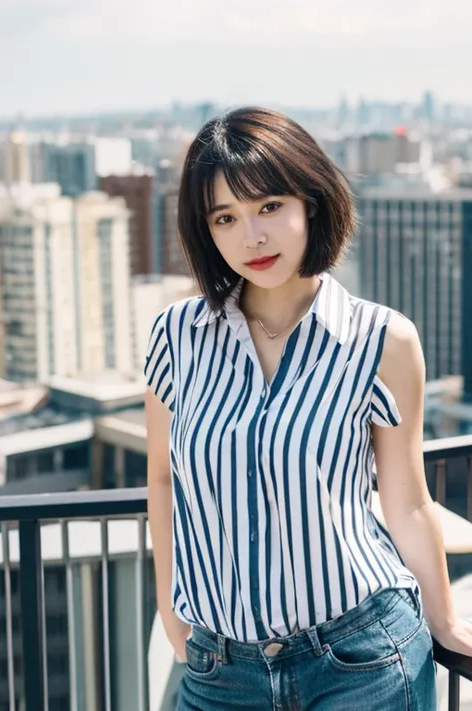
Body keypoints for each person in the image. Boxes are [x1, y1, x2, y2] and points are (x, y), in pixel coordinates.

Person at [144, 106, 472, 711]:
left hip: (362, 659)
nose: (253, 237)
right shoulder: (176, 336)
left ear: (310, 203)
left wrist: (446, 624)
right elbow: (163, 479)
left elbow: (406, 503)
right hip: (221, 671)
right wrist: (171, 614)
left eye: (269, 206)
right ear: (206, 231)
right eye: (226, 217)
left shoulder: (382, 339)